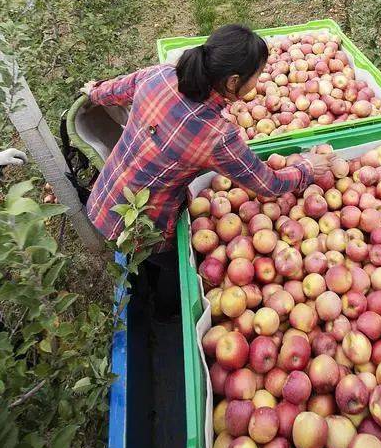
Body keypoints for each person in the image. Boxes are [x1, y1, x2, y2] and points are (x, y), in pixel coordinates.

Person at [81, 24, 335, 314]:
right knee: (170, 269)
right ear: (232, 81)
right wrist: (307, 169)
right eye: (256, 76)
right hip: (143, 226)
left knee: (139, 265)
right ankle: (165, 312)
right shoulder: (216, 136)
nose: (258, 83)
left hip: (105, 200)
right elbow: (267, 185)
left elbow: (113, 91)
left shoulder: (160, 75)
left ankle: (142, 285)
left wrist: (94, 91)